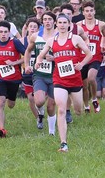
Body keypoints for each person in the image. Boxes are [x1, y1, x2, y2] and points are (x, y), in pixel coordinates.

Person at [35, 13, 92, 152]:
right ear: (56, 24)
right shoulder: (51, 41)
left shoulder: (76, 38)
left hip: (75, 80)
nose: (61, 25)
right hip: (59, 79)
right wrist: (38, 61)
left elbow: (89, 54)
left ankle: (75, 105)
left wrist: (82, 64)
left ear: (69, 25)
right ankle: (63, 143)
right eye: (59, 23)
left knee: (78, 110)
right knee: (60, 109)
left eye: (64, 23)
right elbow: (41, 55)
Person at [24, 11, 57, 134]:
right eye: (45, 19)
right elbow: (28, 51)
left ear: (54, 21)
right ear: (42, 22)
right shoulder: (35, 36)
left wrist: (54, 58)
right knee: (39, 101)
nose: (47, 21)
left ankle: (51, 132)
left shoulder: (60, 36)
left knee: (51, 105)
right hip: (40, 74)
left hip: (55, 75)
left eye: (50, 19)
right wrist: (27, 65)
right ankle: (40, 113)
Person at [77, 0, 105, 113]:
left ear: (94, 11)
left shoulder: (101, 24)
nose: (89, 13)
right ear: (83, 12)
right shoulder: (79, 26)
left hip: (95, 56)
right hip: (82, 58)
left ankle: (94, 99)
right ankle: (86, 106)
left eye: (91, 11)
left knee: (91, 78)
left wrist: (103, 45)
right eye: (87, 11)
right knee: (84, 86)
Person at [60, 3, 89, 123]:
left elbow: (86, 38)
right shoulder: (57, 29)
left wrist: (85, 46)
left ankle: (82, 106)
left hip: (77, 63)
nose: (66, 16)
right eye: (64, 14)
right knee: (64, 86)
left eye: (69, 14)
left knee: (82, 85)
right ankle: (66, 111)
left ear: (73, 15)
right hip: (61, 64)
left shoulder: (78, 28)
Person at [20, 17, 41, 123]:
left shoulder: (41, 40)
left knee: (40, 98)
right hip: (26, 73)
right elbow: (16, 57)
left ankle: (41, 111)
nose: (32, 29)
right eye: (30, 27)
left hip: (41, 72)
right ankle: (38, 118)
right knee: (31, 98)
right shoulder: (20, 41)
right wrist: (23, 63)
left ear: (38, 29)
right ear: (27, 28)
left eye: (35, 27)